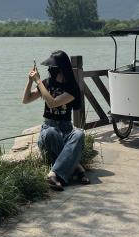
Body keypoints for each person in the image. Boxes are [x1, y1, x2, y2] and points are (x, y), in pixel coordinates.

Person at [22, 49, 90, 191]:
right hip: (49, 128)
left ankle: (53, 174)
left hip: (66, 129)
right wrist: (30, 81)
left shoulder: (72, 88)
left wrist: (38, 81)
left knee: (79, 134)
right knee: (51, 132)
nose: (50, 69)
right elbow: (26, 100)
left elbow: (52, 102)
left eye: (53, 67)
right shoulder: (47, 83)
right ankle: (76, 168)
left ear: (61, 68)